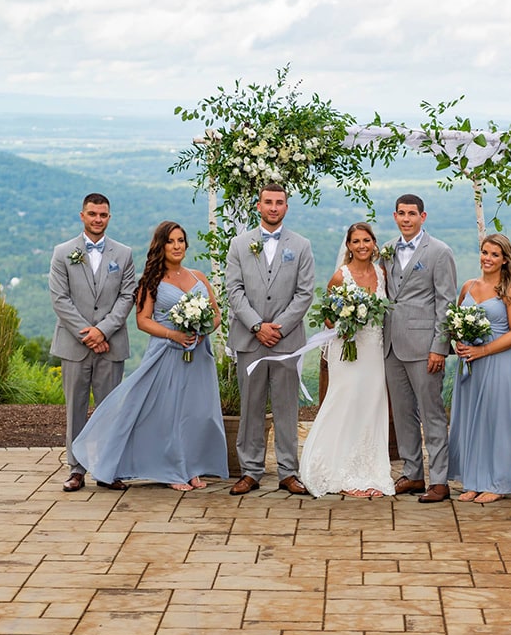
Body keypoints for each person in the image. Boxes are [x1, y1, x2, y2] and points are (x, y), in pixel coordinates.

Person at [72, 221, 229, 490]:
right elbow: (143, 320)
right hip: (167, 353)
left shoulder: (199, 277)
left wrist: (203, 330)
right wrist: (175, 335)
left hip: (198, 355)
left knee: (196, 412)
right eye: (171, 241)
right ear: (161, 246)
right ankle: (170, 471)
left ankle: (190, 468)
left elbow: (216, 314)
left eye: (181, 241)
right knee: (166, 414)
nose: (177, 246)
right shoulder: (151, 281)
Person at [226, 183, 315, 496]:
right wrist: (256, 326)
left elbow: (305, 293)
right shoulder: (239, 244)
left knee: (286, 407)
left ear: (286, 208)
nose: (274, 207)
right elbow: (233, 291)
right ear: (258, 206)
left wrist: (278, 327)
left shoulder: (301, 245)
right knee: (251, 406)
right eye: (268, 202)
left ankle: (288, 471)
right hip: (250, 340)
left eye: (279, 202)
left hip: (286, 340)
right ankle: (250, 471)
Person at [299, 223, 395, 498]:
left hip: (374, 352)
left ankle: (370, 471)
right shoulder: (340, 277)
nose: (362, 245)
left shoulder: (381, 273)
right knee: (346, 403)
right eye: (356, 241)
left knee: (372, 405)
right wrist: (347, 322)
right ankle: (340, 471)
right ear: (349, 246)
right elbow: (328, 316)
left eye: (367, 240)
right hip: (348, 349)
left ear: (374, 243)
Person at [49, 193, 136, 492]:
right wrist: (89, 333)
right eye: (92, 214)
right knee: (75, 407)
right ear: (82, 215)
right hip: (74, 345)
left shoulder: (124, 254)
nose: (98, 219)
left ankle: (108, 468)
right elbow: (60, 299)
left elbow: (128, 297)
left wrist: (104, 331)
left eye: (103, 214)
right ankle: (76, 469)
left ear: (109, 217)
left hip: (110, 345)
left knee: (109, 409)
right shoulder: (63, 252)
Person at [383, 194, 457, 503]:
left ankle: (439, 480)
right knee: (402, 414)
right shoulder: (386, 251)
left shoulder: (440, 252)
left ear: (422, 217)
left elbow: (446, 301)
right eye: (401, 213)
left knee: (432, 413)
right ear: (395, 215)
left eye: (412, 214)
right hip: (391, 345)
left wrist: (439, 346)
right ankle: (413, 473)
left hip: (425, 346)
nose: (406, 219)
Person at [447, 234, 511, 503]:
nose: (487, 258)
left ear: (504, 260)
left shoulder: (510, 291)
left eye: (494, 254)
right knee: (471, 421)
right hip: (469, 365)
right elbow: (455, 323)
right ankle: (473, 480)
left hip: (498, 363)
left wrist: (483, 350)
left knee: (496, 420)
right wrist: (458, 341)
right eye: (484, 252)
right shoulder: (468, 286)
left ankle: (498, 482)